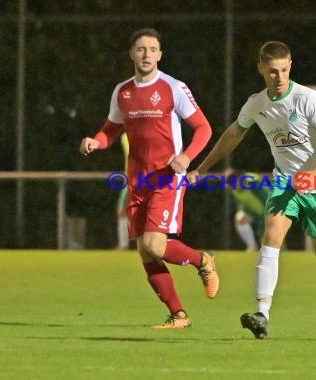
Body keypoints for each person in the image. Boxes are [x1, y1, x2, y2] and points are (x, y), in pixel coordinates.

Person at [188, 41, 316, 339]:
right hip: (284, 182)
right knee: (271, 237)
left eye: (285, 70)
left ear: (291, 66)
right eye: (273, 71)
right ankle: (262, 314)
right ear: (261, 69)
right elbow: (233, 134)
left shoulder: (307, 99)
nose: (280, 77)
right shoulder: (256, 104)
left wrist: (315, 174)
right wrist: (203, 168)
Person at [80, 27, 219, 328]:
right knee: (145, 250)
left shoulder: (173, 87)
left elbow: (204, 128)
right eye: (140, 49)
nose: (146, 55)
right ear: (131, 53)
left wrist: (186, 157)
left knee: (155, 245)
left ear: (160, 55)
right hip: (137, 181)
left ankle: (203, 260)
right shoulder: (123, 91)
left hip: (166, 178)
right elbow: (111, 129)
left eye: (152, 49)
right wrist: (96, 141)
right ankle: (178, 315)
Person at [226, 169, 269, 252]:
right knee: (239, 218)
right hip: (255, 213)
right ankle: (252, 247)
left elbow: (268, 200)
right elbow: (242, 205)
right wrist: (249, 214)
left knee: (268, 243)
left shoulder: (253, 183)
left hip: (269, 212)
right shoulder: (232, 189)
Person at [115, 133, 129, 251]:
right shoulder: (125, 137)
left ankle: (123, 244)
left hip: (140, 178)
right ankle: (123, 244)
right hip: (131, 178)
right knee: (122, 211)